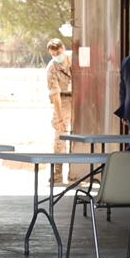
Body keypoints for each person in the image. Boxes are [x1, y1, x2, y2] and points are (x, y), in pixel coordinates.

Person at [45, 38, 74, 186]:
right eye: (53, 54)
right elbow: (55, 95)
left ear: (63, 48)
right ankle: (57, 173)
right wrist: (60, 118)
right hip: (63, 100)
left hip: (78, 99)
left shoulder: (73, 58)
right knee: (60, 136)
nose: (57, 56)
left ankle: (76, 172)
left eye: (58, 52)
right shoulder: (52, 68)